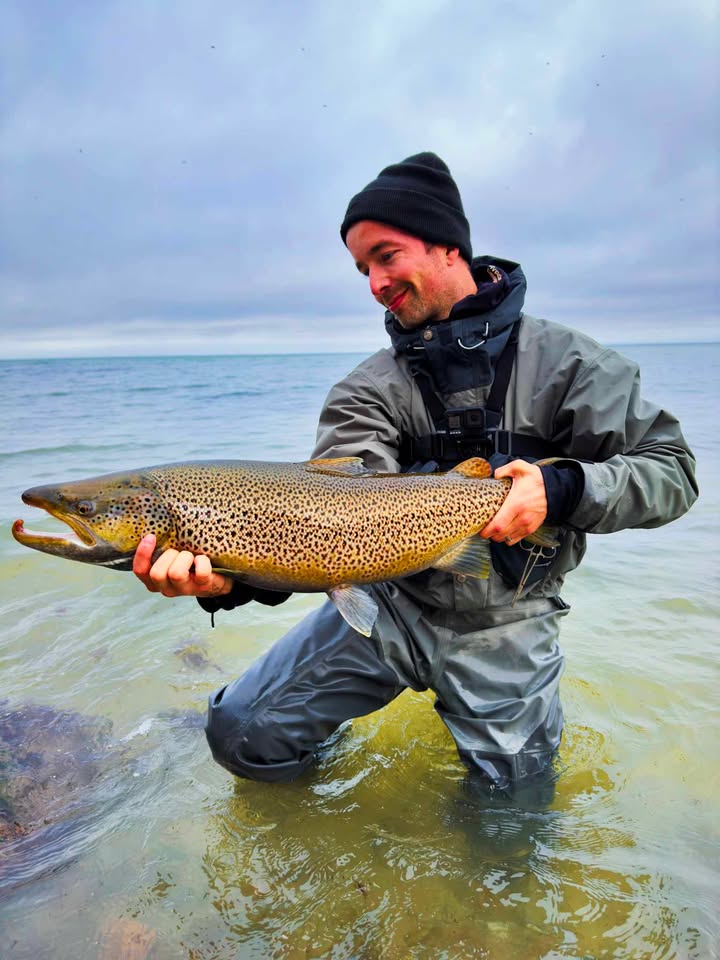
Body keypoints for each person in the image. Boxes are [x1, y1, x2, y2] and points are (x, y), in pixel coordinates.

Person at [133, 152, 698, 794]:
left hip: (507, 619)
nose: (374, 282)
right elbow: (329, 523)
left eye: (386, 256)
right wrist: (229, 577)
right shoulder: (366, 389)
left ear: (448, 247)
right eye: (362, 269)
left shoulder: (573, 366)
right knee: (239, 734)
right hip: (390, 602)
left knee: (512, 810)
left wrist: (562, 488)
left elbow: (672, 471)